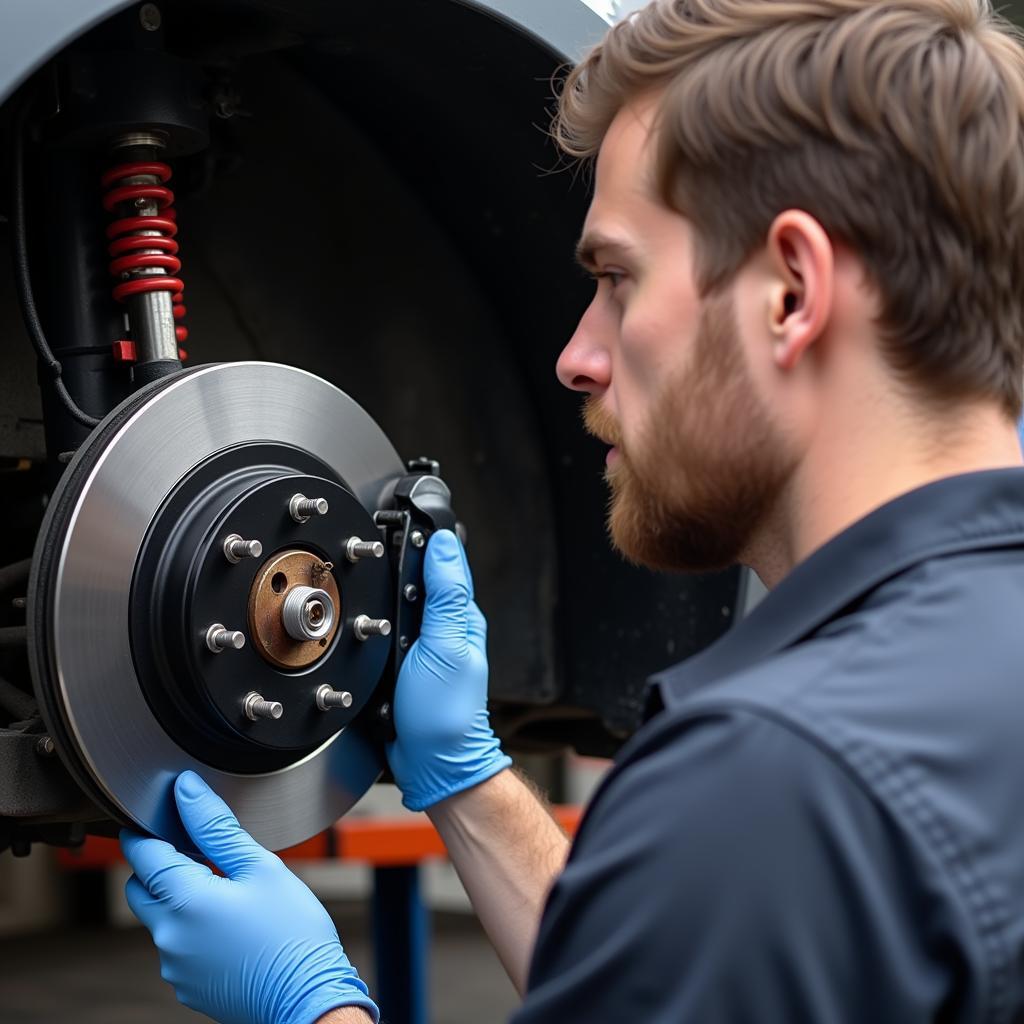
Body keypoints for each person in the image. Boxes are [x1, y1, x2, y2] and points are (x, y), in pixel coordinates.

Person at [120, 0, 1024, 1020]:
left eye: (614, 279)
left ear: (789, 291)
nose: (576, 354)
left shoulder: (786, 780)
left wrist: (315, 1005)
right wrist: (462, 778)